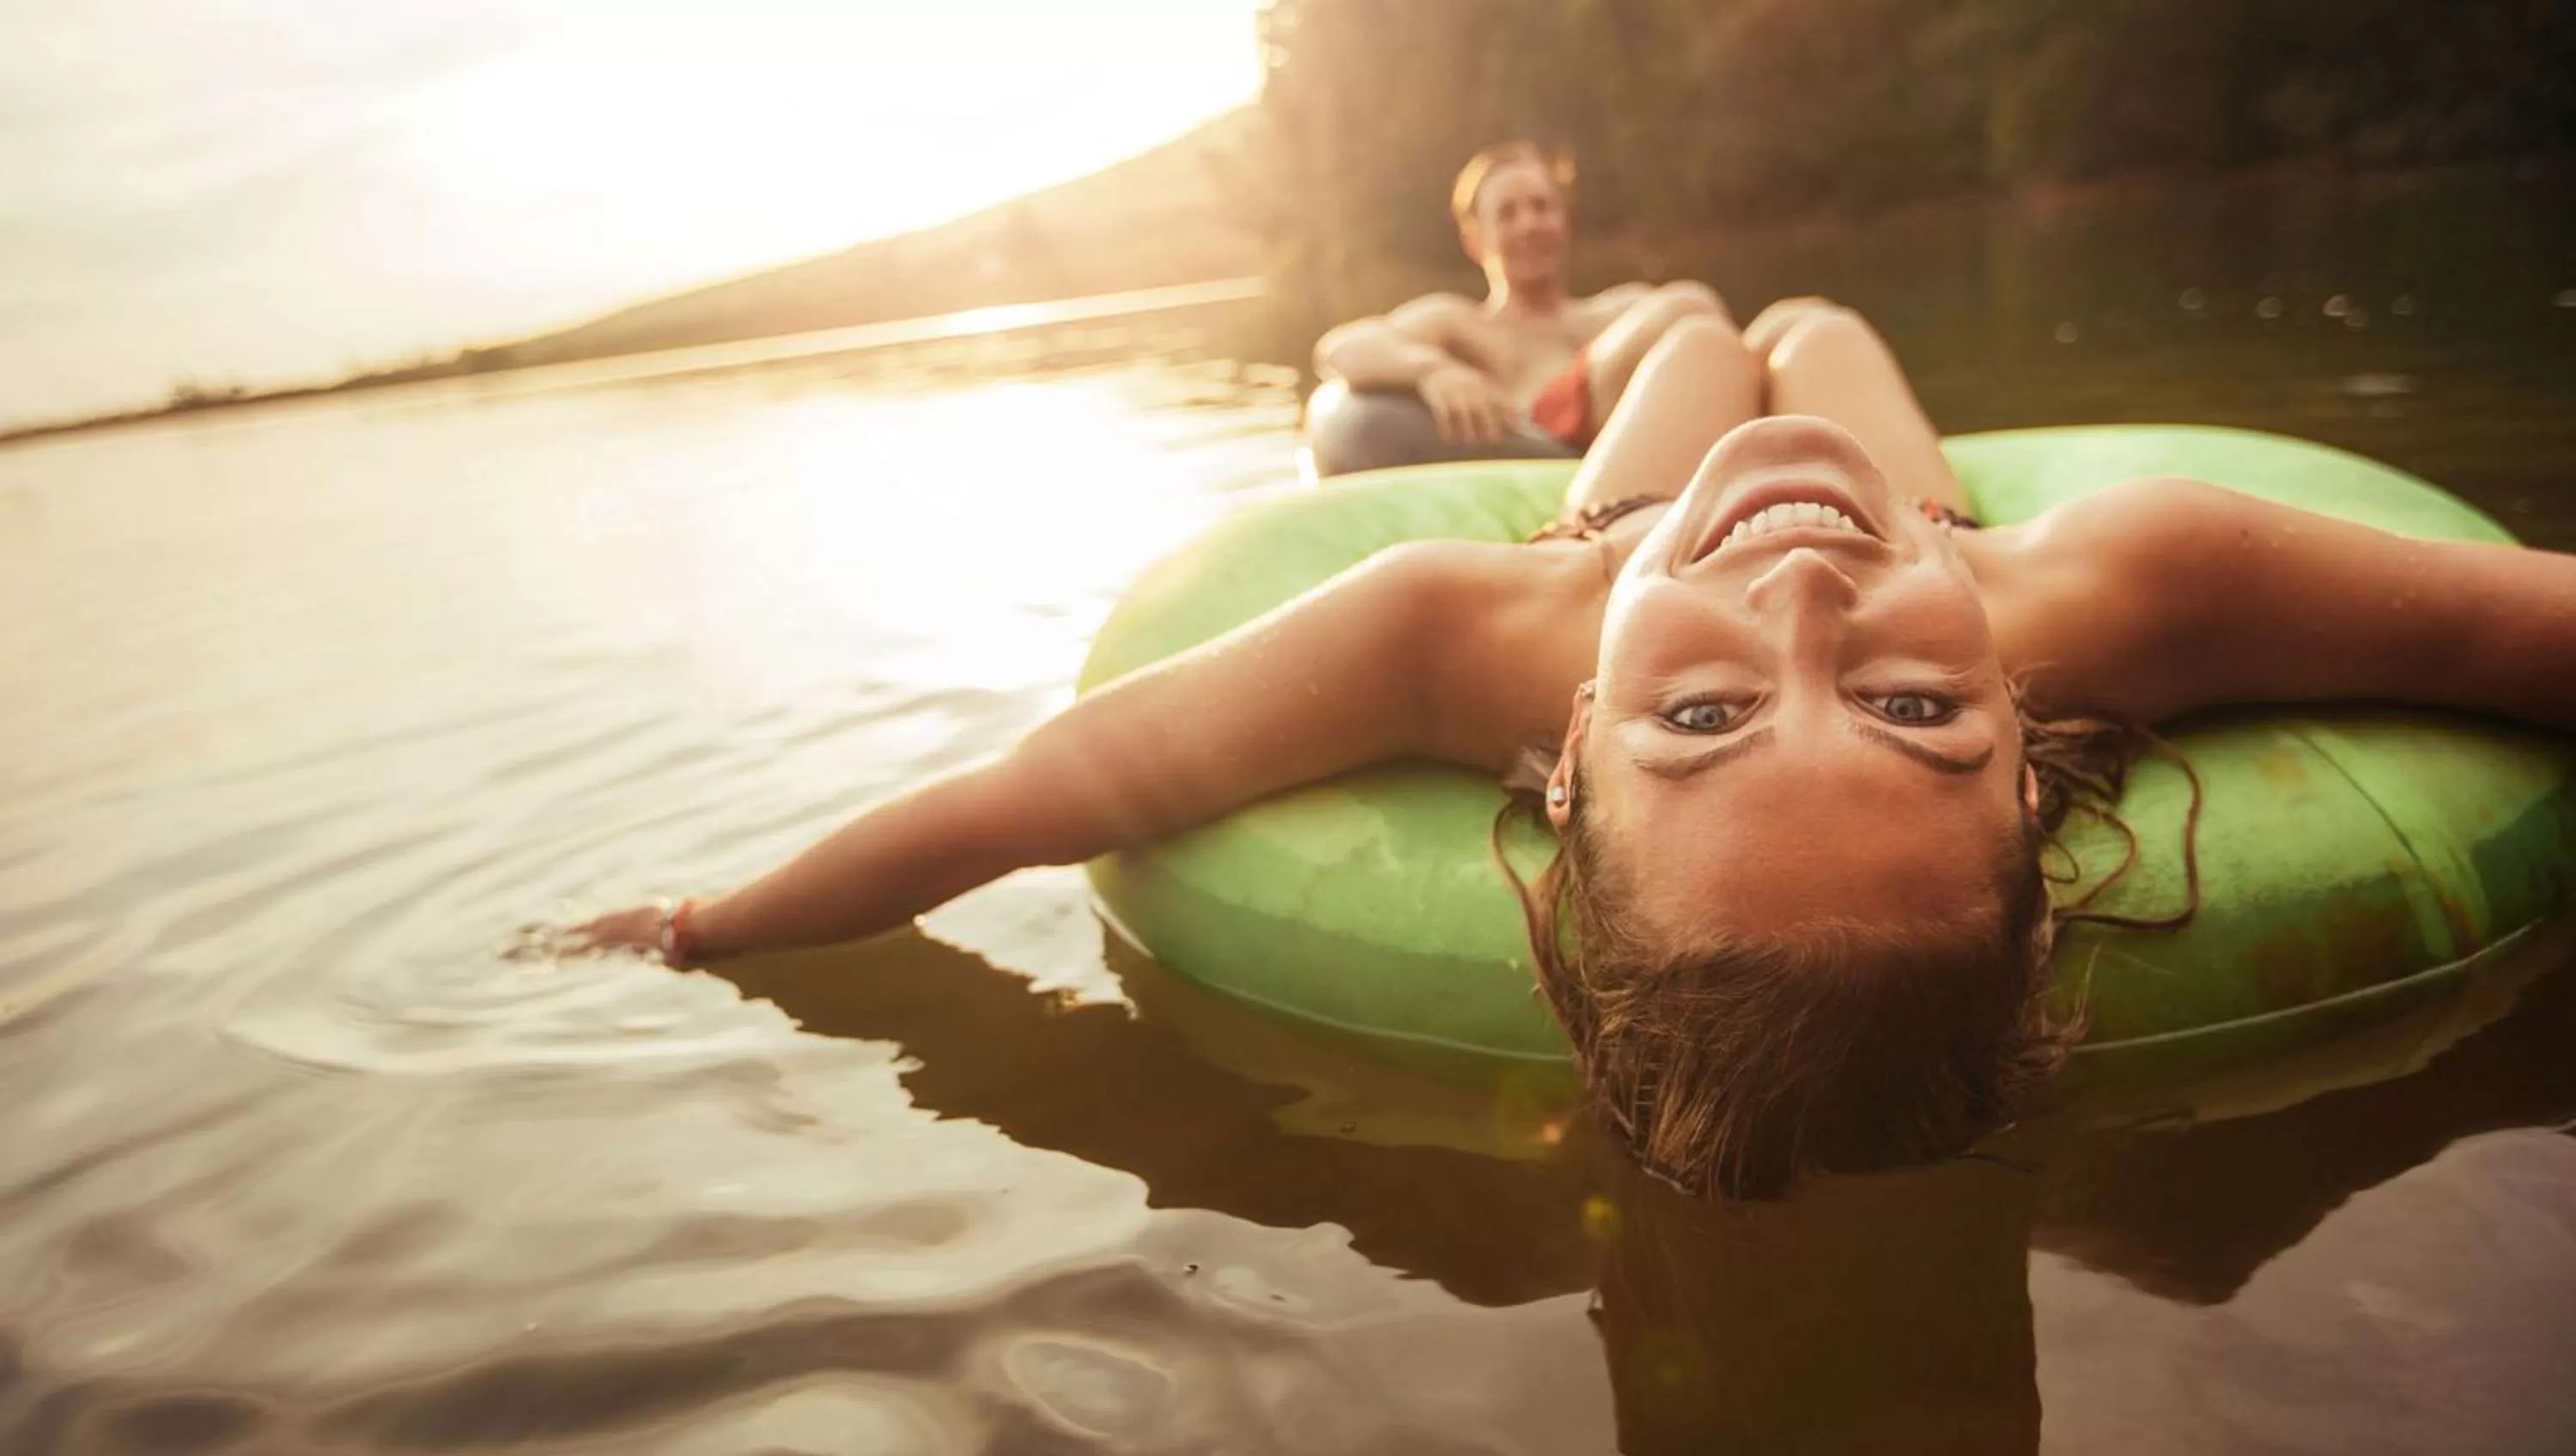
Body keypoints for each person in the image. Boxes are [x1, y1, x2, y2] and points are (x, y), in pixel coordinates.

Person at [561, 300, 2576, 1198]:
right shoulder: (2125, 585)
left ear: (1570, 761)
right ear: (2025, 749)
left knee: (1715, 339)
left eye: (1701, 723)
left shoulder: (1453, 636)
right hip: (1918, 511)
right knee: (1784, 319)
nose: (1800, 619)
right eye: (1913, 710)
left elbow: (1019, 801)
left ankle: (1644, 349)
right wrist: (1886, 571)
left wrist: (702, 921)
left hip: (1618, 537)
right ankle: (1650, 326)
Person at [1311, 141, 1728, 451]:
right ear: (1476, 241)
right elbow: (1340, 348)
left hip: (1646, 432)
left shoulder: (1619, 310)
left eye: (1542, 207)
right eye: (1507, 214)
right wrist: (1432, 370)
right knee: (1690, 306)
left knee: (1787, 327)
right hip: (1546, 439)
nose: (1528, 224)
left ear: (1564, 221)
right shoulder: (1458, 322)